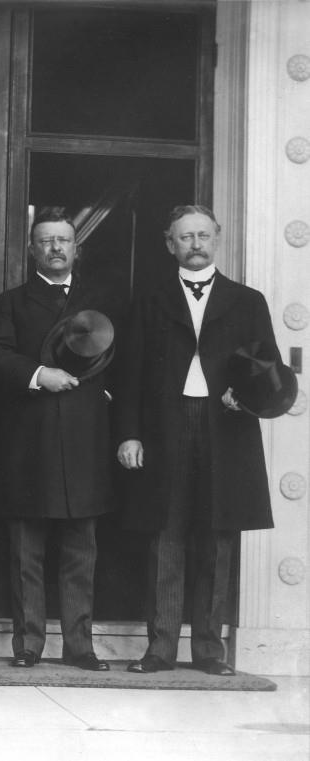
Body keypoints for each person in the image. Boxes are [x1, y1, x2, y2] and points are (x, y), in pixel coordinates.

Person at [115, 204, 286, 676]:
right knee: (164, 535)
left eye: (203, 235)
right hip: (164, 427)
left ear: (218, 237)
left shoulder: (247, 300)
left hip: (225, 428)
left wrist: (245, 399)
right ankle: (160, 649)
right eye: (185, 237)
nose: (195, 244)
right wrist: (129, 433)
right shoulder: (149, 299)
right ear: (170, 244)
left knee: (217, 535)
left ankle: (210, 651)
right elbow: (128, 375)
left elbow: (266, 367)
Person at [0, 207, 115, 671]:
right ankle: (28, 646)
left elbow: (125, 358)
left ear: (77, 249)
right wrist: (40, 374)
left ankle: (80, 647)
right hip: (28, 442)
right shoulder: (11, 303)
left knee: (82, 551)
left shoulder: (103, 299)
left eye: (63, 241)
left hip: (85, 443)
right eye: (46, 241)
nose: (56, 248)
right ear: (32, 249)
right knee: (26, 552)